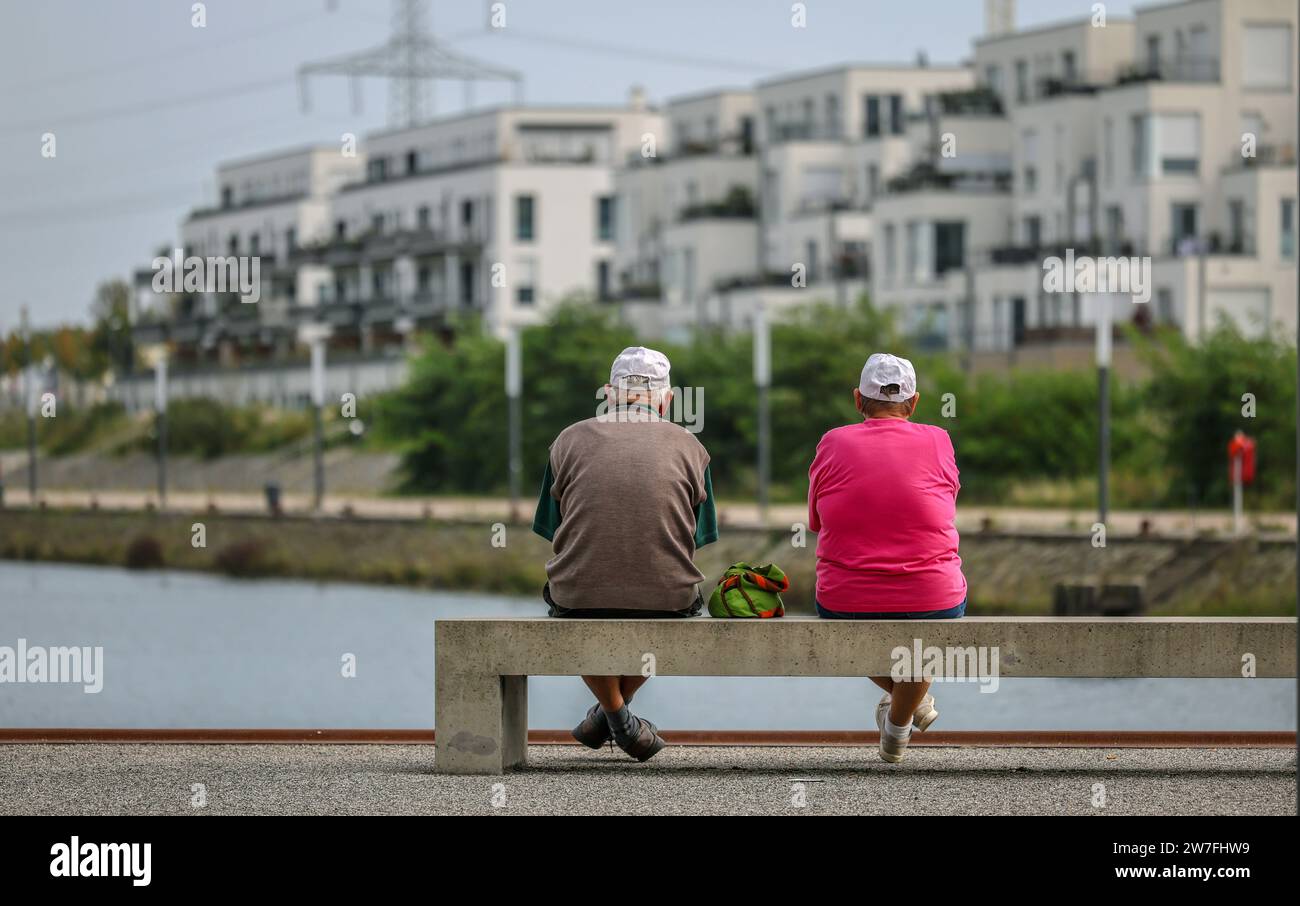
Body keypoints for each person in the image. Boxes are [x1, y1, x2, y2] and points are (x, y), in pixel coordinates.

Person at [532, 346, 718, 762]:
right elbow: (699, 537)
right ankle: (619, 720)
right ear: (667, 400)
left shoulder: (567, 440)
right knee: (673, 599)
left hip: (579, 596)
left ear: (607, 393)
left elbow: (552, 528)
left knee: (577, 602)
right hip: (668, 600)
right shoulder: (692, 446)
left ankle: (611, 717)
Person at [807, 353, 967, 764]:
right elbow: (943, 505)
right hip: (936, 599)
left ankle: (899, 720)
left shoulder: (832, 441)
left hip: (845, 603)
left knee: (855, 635)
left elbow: (815, 522)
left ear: (857, 400)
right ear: (914, 404)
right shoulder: (938, 439)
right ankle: (900, 724)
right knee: (921, 646)